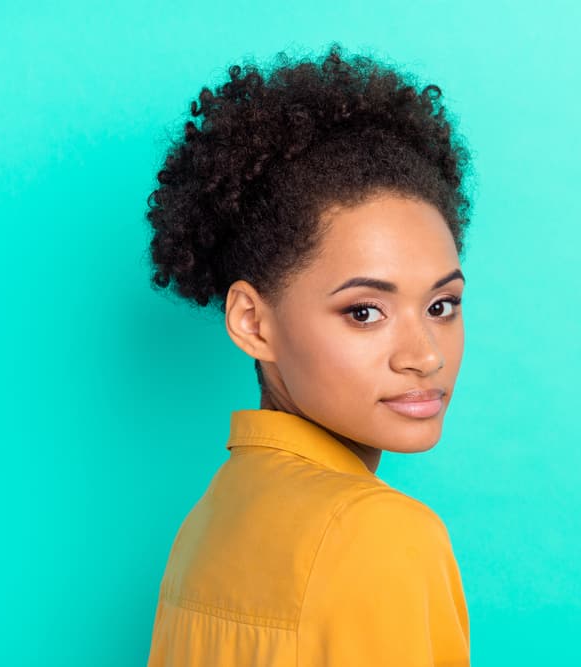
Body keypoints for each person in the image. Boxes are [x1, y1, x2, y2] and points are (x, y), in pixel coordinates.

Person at [144, 43, 473, 666]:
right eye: (365, 312)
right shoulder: (384, 536)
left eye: (441, 306)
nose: (425, 356)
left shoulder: (208, 526)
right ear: (252, 322)